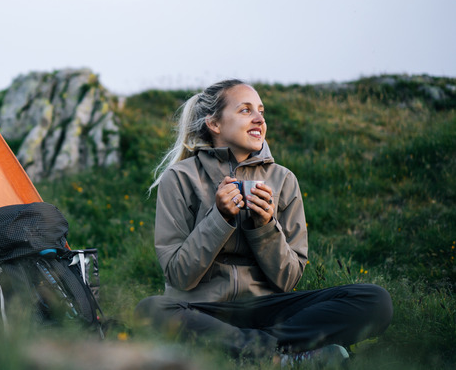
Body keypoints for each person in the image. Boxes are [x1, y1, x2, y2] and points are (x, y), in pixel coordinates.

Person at [134, 79, 392, 365]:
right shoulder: (180, 178)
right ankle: (286, 354)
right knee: (150, 310)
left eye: (261, 111)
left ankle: (254, 350)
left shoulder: (284, 180)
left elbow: (289, 279)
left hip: (267, 308)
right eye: (245, 110)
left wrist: (266, 226)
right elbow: (179, 275)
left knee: (373, 299)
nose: (259, 119)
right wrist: (218, 218)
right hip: (203, 310)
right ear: (214, 124)